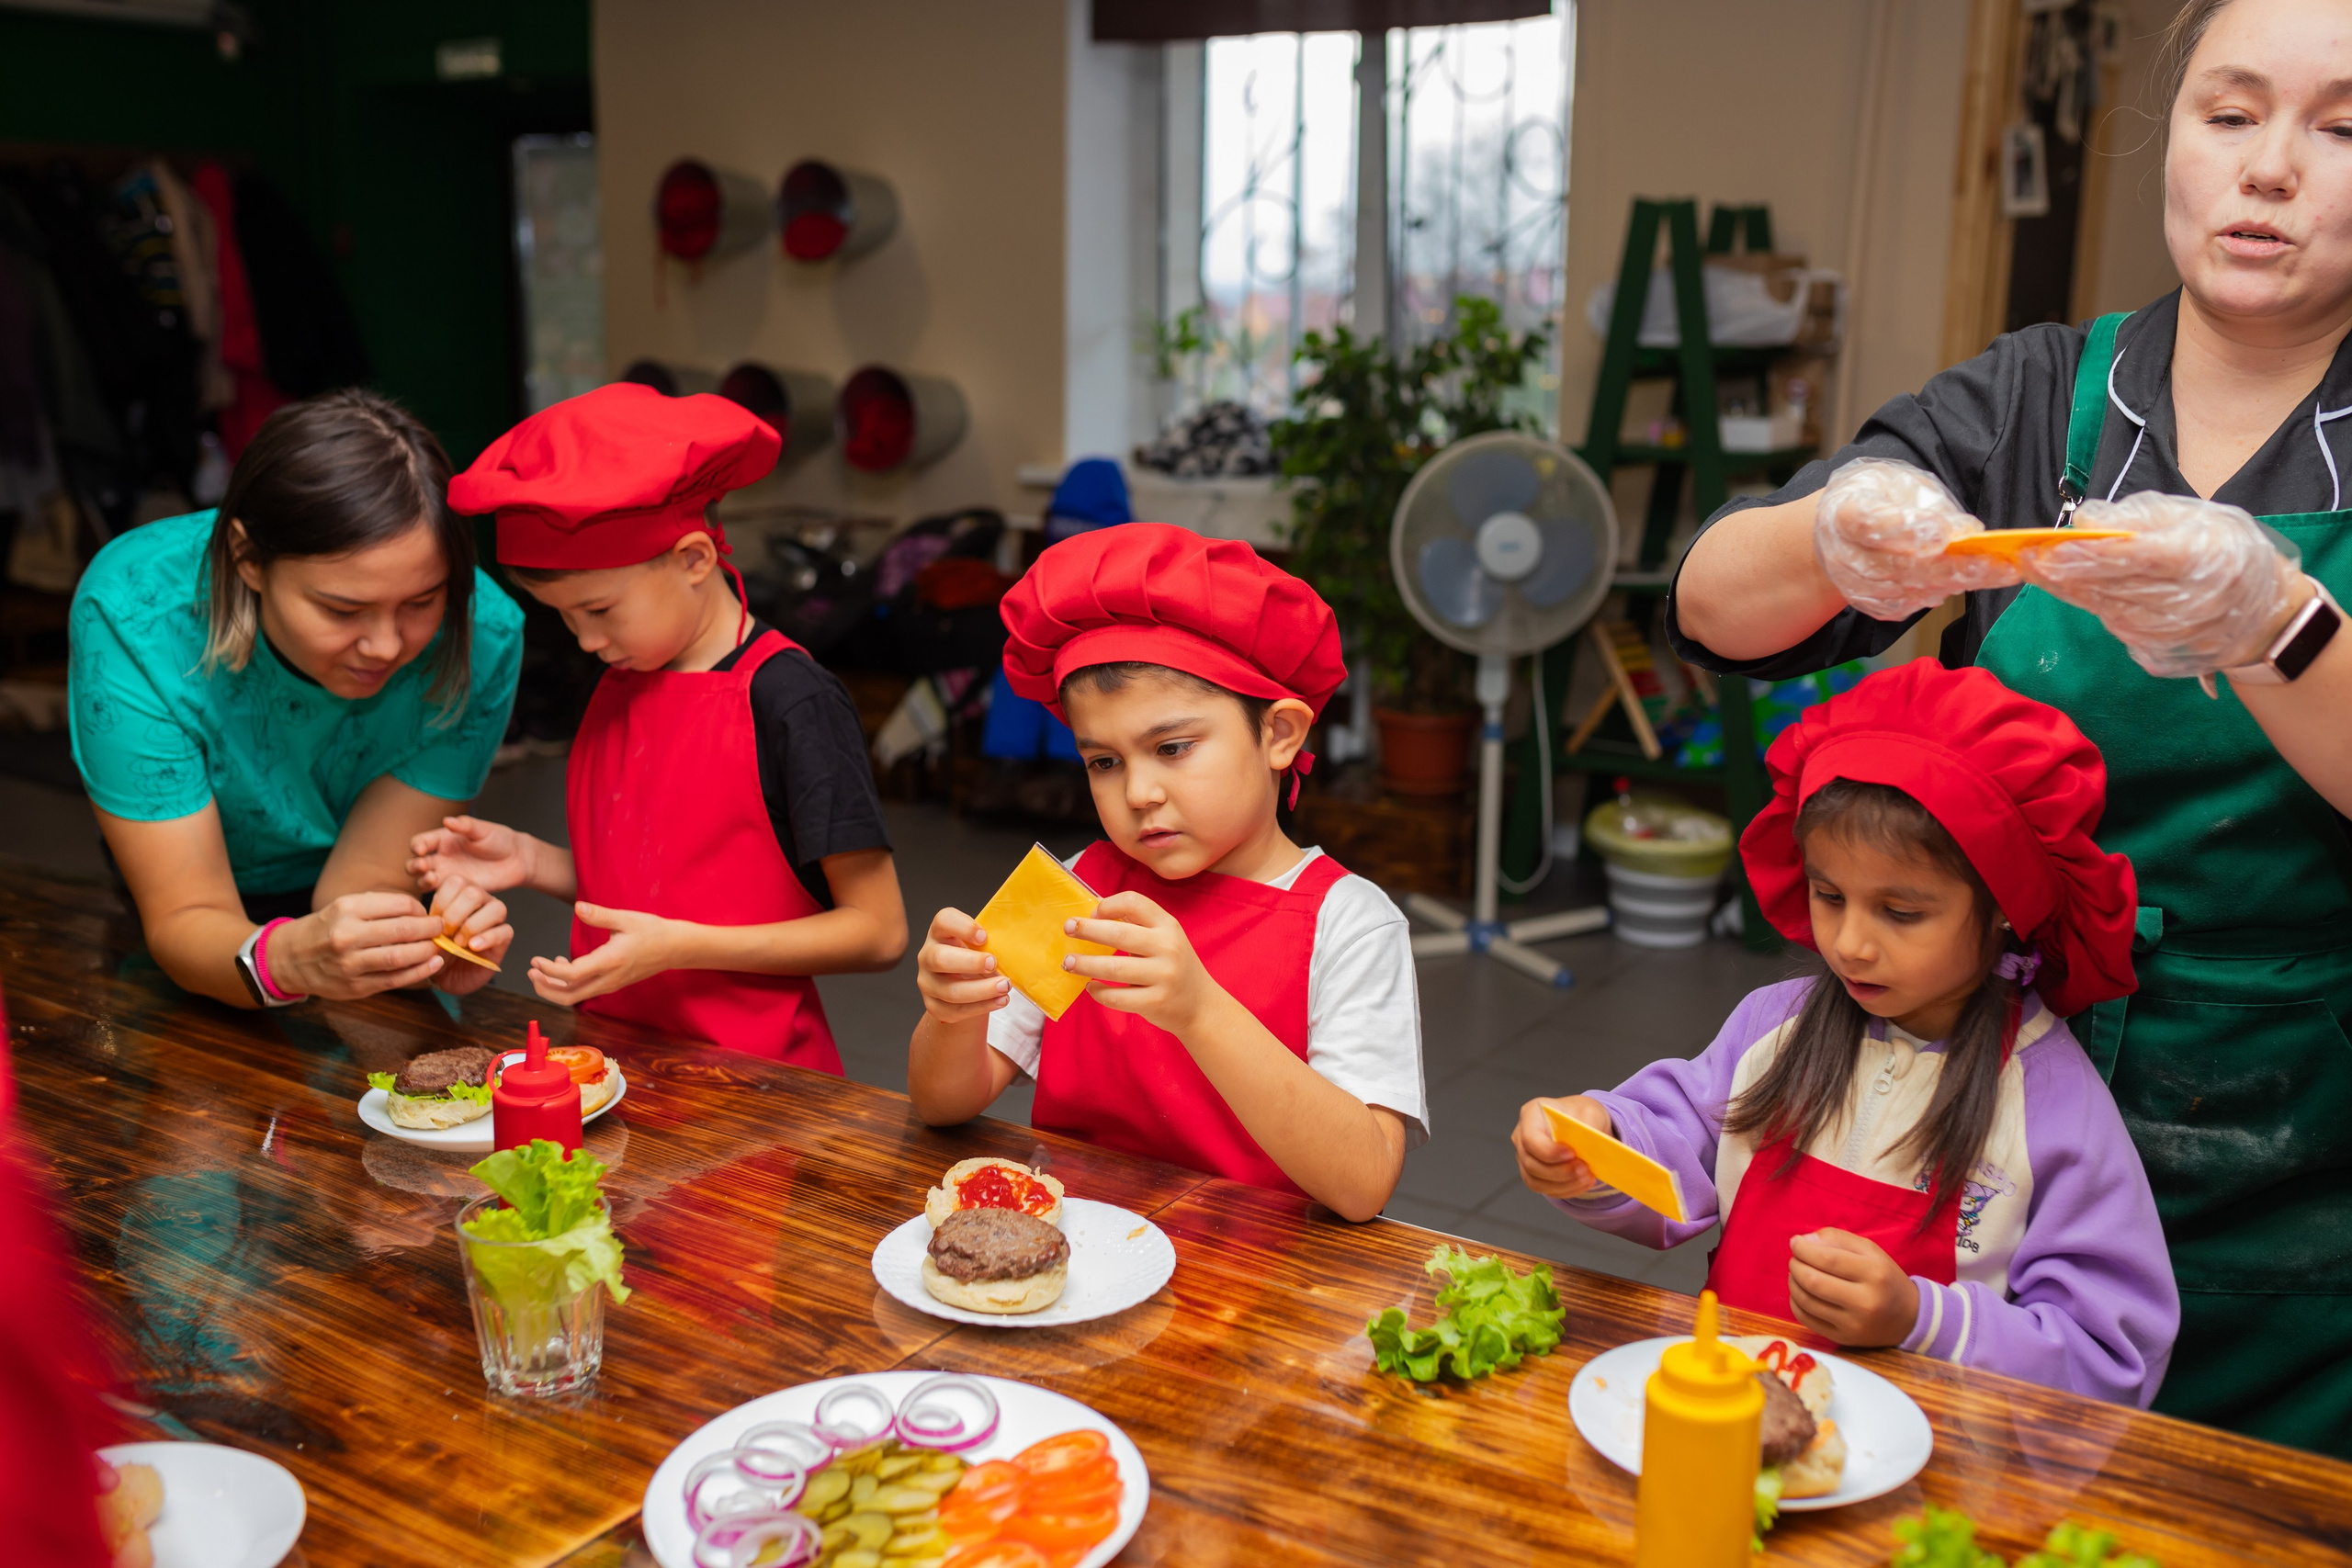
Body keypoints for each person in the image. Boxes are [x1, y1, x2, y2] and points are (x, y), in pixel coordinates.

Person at [1666, 0, 2352, 1455]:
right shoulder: (2047, 392)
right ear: (2170, 133)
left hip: (2301, 1147)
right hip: (1985, 1095)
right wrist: (1839, 540)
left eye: (2342, 128)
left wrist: (2275, 623)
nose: (2272, 167)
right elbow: (1717, 607)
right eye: (2230, 113)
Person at [1513, 662, 2177, 1405]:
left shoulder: (2054, 1102)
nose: (1852, 943)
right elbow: (1673, 1156)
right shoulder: (1775, 1027)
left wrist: (1921, 1319)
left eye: (1901, 912)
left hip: (1931, 1478)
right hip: (1731, 1420)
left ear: (2003, 906)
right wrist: (1593, 1145)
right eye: (1829, 895)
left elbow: (2107, 1356)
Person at [908, 524, 1427, 1221]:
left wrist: (1199, 1010)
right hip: (1075, 1258)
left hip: (1263, 1289)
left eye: (1172, 747)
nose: (1138, 792)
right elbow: (941, 1103)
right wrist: (952, 1014)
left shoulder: (1349, 922)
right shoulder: (1076, 886)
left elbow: (1362, 1183)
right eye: (1104, 761)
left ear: (1279, 734)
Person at [408, 383, 904, 1068]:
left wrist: (683, 949)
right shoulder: (622, 677)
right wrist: (532, 860)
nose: (585, 641)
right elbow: (666, 880)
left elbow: (877, 931)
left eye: (601, 610)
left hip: (762, 1089)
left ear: (695, 559)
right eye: (565, 617)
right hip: (616, 1061)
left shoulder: (793, 702)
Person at [67, 390, 522, 1010]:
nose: (387, 645)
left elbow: (366, 883)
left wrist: (429, 953)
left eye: (422, 602)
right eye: (342, 609)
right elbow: (187, 912)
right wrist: (286, 958)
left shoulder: (484, 635)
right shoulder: (135, 615)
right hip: (188, 905)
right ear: (247, 559)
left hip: (331, 910)